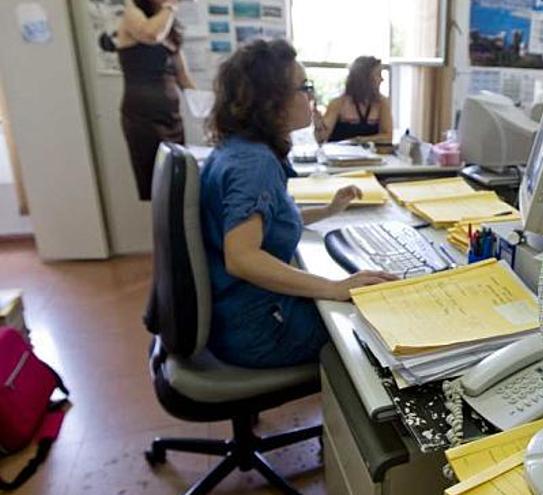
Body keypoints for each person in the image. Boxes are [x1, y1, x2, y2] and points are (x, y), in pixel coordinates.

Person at [201, 40, 397, 368]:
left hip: (234, 316)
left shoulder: (237, 148)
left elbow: (266, 223)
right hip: (259, 330)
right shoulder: (255, 163)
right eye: (305, 87)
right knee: (380, 315)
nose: (311, 95)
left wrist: (329, 210)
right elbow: (243, 257)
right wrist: (334, 288)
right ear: (272, 100)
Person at [116, 0, 196, 201]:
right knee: (158, 189)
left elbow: (184, 79)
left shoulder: (169, 25)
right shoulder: (132, 12)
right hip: (144, 120)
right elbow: (150, 34)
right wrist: (171, 7)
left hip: (171, 118)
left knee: (178, 184)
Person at [313, 56, 393, 143]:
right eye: (378, 75)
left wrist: (360, 140)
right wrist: (318, 126)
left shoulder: (382, 103)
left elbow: (388, 137)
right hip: (339, 154)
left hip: (370, 156)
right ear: (365, 78)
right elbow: (321, 138)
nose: (382, 79)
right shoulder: (338, 104)